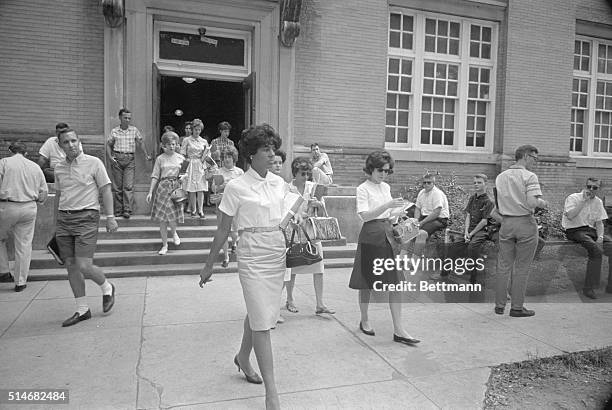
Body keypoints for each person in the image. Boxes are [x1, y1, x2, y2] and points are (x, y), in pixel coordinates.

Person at [199, 124, 297, 410]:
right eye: (265, 149)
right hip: (252, 254)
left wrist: (296, 219)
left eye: (272, 148)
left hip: (276, 252)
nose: (271, 154)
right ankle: (272, 393)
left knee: (260, 312)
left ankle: (243, 357)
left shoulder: (280, 183)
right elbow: (222, 230)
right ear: (251, 154)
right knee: (263, 320)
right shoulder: (236, 186)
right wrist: (209, 265)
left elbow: (286, 215)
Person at [348, 150, 420, 345]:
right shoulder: (363, 188)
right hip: (371, 235)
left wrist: (399, 213)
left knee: (395, 282)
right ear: (370, 169)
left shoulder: (386, 187)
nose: (383, 174)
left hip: (388, 234)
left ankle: (399, 329)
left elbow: (389, 214)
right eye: (380, 170)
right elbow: (364, 215)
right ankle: (364, 319)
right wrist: (387, 204)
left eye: (387, 171)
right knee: (367, 281)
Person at [55, 128, 118, 327]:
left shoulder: (94, 162)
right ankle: (82, 310)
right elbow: (58, 195)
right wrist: (54, 223)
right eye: (66, 142)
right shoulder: (58, 168)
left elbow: (106, 190)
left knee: (84, 265)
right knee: (71, 266)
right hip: (64, 219)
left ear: (79, 141)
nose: (71, 144)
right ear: (60, 145)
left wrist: (111, 217)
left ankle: (107, 287)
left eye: (74, 140)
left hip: (87, 217)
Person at [494, 145, 547, 317]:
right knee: (522, 268)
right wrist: (543, 203)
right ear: (525, 156)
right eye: (534, 158)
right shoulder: (529, 176)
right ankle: (517, 307)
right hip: (525, 223)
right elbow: (532, 202)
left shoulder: (500, 177)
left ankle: (499, 306)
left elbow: (497, 204)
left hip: (506, 223)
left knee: (503, 266)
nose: (535, 162)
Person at [284, 157, 335, 315]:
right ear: (295, 173)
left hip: (311, 231)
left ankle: (320, 304)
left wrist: (318, 205)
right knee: (292, 266)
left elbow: (322, 208)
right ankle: (290, 299)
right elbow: (284, 209)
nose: (306, 177)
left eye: (307, 174)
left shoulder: (313, 187)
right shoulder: (287, 188)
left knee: (318, 267)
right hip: (293, 230)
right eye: (302, 173)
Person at [0, 142, 48, 291]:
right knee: (24, 244)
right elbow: (43, 193)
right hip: (29, 206)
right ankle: (20, 281)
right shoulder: (35, 167)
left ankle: (3, 270)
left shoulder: (4, 163)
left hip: (7, 205)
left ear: (10, 151)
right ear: (26, 153)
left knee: (0, 238)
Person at [562, 178, 610, 299]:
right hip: (574, 230)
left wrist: (600, 236)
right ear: (585, 186)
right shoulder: (573, 198)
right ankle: (589, 288)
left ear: (599, 189)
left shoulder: (598, 202)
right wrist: (583, 201)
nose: (591, 189)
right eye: (589, 186)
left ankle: (611, 286)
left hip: (590, 231)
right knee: (596, 250)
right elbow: (571, 216)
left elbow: (599, 223)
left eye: (595, 188)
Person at [107, 108, 152, 219]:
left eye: (129, 118)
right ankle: (118, 210)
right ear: (120, 118)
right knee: (117, 187)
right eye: (125, 118)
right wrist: (110, 157)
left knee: (128, 186)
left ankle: (127, 210)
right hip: (117, 158)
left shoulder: (134, 130)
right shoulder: (114, 131)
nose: (127, 120)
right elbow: (108, 144)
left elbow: (140, 143)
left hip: (130, 159)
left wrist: (146, 155)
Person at [146, 131, 185, 255]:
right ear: (164, 145)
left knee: (173, 216)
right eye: (169, 144)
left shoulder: (181, 158)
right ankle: (164, 245)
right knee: (163, 219)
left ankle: (173, 232)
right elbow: (155, 176)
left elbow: (185, 173)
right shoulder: (160, 159)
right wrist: (150, 192)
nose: (172, 146)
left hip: (175, 187)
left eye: (174, 144)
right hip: (163, 188)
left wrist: (184, 178)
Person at [211, 146, 244, 267]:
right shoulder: (219, 171)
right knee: (223, 232)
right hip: (222, 205)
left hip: (235, 205)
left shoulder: (239, 172)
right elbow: (213, 188)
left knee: (234, 231)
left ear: (234, 158)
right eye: (224, 157)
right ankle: (226, 256)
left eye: (229, 157)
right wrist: (221, 186)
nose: (226, 159)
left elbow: (244, 189)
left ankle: (234, 243)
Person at [464, 174, 494, 283]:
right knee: (452, 246)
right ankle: (444, 274)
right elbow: (467, 215)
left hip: (483, 230)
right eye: (475, 182)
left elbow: (484, 221)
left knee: (472, 246)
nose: (476, 184)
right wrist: (466, 231)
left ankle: (474, 277)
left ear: (486, 184)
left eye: (479, 182)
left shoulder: (489, 201)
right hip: (470, 229)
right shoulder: (472, 198)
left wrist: (470, 234)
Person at [413, 173, 450, 261]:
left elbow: (436, 212)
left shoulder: (437, 193)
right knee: (408, 227)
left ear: (433, 183)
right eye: (424, 183)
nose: (426, 185)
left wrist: (421, 223)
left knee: (421, 233)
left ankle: (414, 261)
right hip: (426, 217)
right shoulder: (421, 192)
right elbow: (417, 208)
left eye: (429, 183)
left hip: (439, 219)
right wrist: (415, 220)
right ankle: (403, 257)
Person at [180, 118, 211, 218]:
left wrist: (207, 166)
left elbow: (207, 155)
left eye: (199, 130)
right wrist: (183, 168)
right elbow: (182, 154)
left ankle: (201, 210)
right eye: (195, 129)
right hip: (190, 164)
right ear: (192, 129)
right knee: (192, 188)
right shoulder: (186, 140)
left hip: (200, 164)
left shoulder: (203, 141)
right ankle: (193, 210)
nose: (197, 131)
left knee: (200, 188)